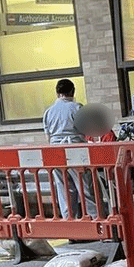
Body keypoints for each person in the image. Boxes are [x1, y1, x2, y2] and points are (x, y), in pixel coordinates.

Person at [43, 79, 98, 219]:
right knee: (86, 189)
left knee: (64, 192)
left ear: (57, 93)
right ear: (73, 91)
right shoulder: (77, 108)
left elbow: (48, 136)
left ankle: (71, 226)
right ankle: (96, 223)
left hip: (55, 152)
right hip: (75, 151)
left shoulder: (48, 112)